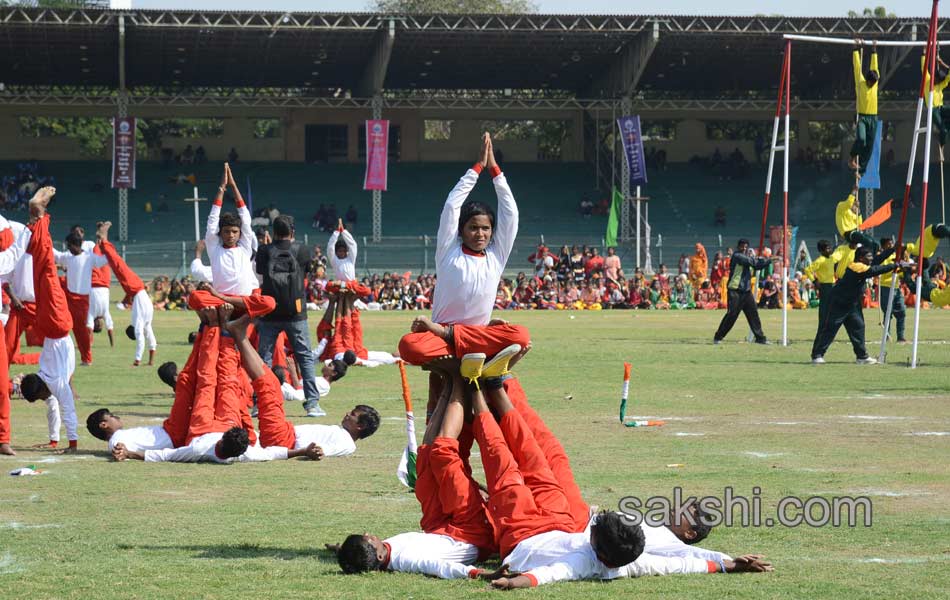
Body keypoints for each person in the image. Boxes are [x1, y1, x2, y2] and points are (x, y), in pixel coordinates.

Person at [333, 359, 497, 578]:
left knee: (425, 458)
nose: (368, 534)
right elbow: (442, 568)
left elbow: (359, 556)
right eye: (367, 539)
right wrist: (482, 574)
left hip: (438, 527)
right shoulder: (407, 560)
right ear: (379, 557)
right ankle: (461, 380)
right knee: (441, 451)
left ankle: (449, 382)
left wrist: (344, 552)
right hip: (469, 534)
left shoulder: (384, 553)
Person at [227, 313, 379, 458]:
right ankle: (234, 338)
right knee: (248, 403)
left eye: (353, 415)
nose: (347, 413)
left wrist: (313, 452)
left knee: (269, 384)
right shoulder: (342, 434)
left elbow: (322, 451)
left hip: (283, 438)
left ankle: (237, 335)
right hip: (284, 433)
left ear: (360, 426)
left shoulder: (347, 443)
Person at [18, 187, 83, 451]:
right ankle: (35, 224)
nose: (47, 399)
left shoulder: (55, 383)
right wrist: (55, 440)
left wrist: (73, 443)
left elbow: (68, 409)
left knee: (46, 270)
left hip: (57, 324)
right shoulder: (46, 376)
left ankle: (40, 214)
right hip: (48, 326)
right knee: (39, 270)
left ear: (43, 390)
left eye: (43, 397)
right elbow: (54, 408)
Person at [255, 215, 322, 416]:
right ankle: (312, 404)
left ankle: (260, 403)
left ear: (273, 232)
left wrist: (267, 248)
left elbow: (260, 272)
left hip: (270, 312)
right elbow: (308, 272)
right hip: (296, 312)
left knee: (263, 359)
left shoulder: (264, 250)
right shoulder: (301, 249)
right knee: (304, 357)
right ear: (292, 232)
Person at [189, 163, 274, 319]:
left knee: (269, 302)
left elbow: (246, 219)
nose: (231, 235)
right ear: (220, 234)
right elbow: (212, 220)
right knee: (194, 297)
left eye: (235, 232)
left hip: (243, 301)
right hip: (220, 300)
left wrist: (233, 186)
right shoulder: (214, 248)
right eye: (226, 232)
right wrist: (221, 188)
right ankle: (220, 313)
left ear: (240, 234)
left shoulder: (245, 247)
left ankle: (223, 312)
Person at [811, 246, 905, 364]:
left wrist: (893, 249)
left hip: (852, 304)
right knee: (830, 327)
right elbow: (873, 270)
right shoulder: (855, 266)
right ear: (861, 258)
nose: (871, 259)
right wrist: (893, 266)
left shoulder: (863, 265)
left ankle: (862, 356)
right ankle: (817, 355)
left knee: (858, 327)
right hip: (838, 302)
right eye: (868, 257)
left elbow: (877, 260)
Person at [96, 222, 157, 366]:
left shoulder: (143, 321)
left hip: (141, 294)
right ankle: (103, 239)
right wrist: (137, 360)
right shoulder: (139, 321)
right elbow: (140, 337)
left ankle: (103, 240)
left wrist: (149, 361)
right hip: (137, 291)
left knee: (117, 264)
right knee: (118, 265)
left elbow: (148, 339)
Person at [54, 227, 108, 366]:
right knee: (60, 325)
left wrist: (103, 241)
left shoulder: (90, 258)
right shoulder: (68, 257)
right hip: (67, 297)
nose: (68, 249)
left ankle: (86, 359)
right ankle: (61, 355)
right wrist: (45, 239)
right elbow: (55, 255)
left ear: (74, 245)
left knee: (81, 331)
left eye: (69, 246)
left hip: (82, 300)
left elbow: (106, 259)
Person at [712, 239, 770, 345]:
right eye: (742, 246)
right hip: (735, 290)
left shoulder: (747, 257)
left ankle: (760, 338)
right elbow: (754, 263)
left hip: (746, 291)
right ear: (738, 247)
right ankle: (718, 336)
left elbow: (757, 265)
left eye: (746, 246)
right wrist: (769, 260)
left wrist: (764, 261)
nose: (744, 248)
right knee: (732, 315)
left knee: (753, 315)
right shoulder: (737, 256)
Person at [803, 240, 845, 340]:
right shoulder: (820, 260)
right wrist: (815, 281)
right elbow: (807, 270)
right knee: (824, 309)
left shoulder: (831, 258)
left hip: (833, 285)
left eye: (830, 248)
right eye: (827, 248)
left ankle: (828, 331)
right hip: (825, 286)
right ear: (821, 251)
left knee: (833, 309)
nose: (830, 250)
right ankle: (821, 330)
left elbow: (840, 254)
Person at [848, 39, 878, 174]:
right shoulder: (860, 82)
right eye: (872, 83)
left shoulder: (875, 83)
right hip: (862, 117)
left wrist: (874, 49)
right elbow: (857, 66)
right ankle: (852, 158)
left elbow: (874, 66)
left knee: (869, 146)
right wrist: (855, 48)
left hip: (873, 117)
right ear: (868, 80)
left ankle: (861, 171)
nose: (873, 85)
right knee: (861, 139)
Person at [876, 238, 906, 344]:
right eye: (889, 244)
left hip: (897, 286)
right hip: (886, 287)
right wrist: (894, 267)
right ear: (883, 246)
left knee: (901, 311)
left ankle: (901, 336)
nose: (891, 246)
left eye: (892, 243)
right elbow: (882, 270)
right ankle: (887, 336)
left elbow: (899, 272)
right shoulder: (882, 256)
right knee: (888, 312)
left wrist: (903, 269)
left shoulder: (895, 256)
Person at [87, 236, 114, 348]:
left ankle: (99, 239)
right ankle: (103, 238)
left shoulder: (91, 314)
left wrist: (89, 344)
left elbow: (89, 328)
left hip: (94, 283)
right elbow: (110, 328)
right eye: (100, 326)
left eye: (98, 326)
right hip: (104, 284)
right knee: (104, 259)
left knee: (96, 257)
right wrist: (112, 344)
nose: (100, 324)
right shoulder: (105, 314)